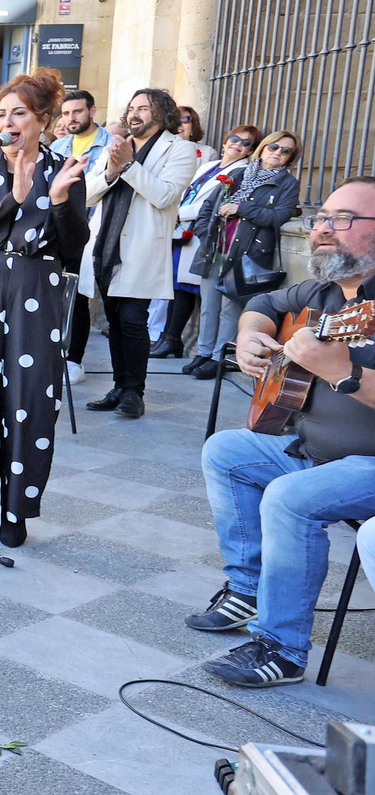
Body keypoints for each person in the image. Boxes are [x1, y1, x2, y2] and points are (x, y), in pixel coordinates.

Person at [185, 177, 375, 687]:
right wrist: (250, 336)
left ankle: (283, 648)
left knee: (289, 498)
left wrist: (343, 373)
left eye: (343, 220)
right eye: (321, 219)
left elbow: (345, 373)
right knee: (226, 451)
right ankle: (247, 590)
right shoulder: (323, 292)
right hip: (314, 451)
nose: (323, 229)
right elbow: (264, 306)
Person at [0, 71, 90, 548]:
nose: (7, 122)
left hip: (35, 288)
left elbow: (73, 247)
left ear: (43, 120)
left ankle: (17, 509)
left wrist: (63, 200)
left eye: (19, 113)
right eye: (1, 114)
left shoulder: (63, 169)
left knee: (29, 403)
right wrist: (13, 199)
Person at [82, 88, 199, 419]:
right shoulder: (117, 146)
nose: (134, 114)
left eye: (143, 108)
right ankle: (119, 386)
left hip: (141, 249)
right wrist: (110, 170)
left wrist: (128, 166)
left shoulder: (181, 150)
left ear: (161, 114)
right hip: (106, 246)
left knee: (133, 320)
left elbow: (164, 196)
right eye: (131, 108)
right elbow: (88, 194)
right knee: (115, 320)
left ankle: (135, 391)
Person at [186, 129, 303, 378]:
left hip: (248, 253)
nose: (278, 153)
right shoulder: (238, 174)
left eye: (286, 151)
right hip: (216, 247)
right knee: (209, 304)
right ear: (263, 148)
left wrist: (243, 207)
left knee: (231, 308)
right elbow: (209, 206)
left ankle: (222, 357)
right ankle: (203, 353)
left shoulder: (287, 184)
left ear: (290, 158)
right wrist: (204, 232)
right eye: (274, 147)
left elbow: (278, 216)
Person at [154, 125, 260, 361]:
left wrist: (179, 213)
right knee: (173, 285)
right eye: (235, 139)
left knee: (185, 288)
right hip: (181, 227)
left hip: (199, 232)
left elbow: (213, 206)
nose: (238, 145)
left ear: (251, 151)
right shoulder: (208, 166)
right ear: (225, 141)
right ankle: (166, 337)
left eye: (246, 143)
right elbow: (187, 191)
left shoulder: (241, 172)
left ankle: (175, 339)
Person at [51, 90, 112, 385]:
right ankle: (53, 354)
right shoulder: (59, 145)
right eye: (66, 113)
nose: (71, 118)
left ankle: (74, 359)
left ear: (92, 111)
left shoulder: (112, 144)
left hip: (94, 230)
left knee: (79, 296)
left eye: (77, 111)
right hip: (60, 226)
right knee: (56, 293)